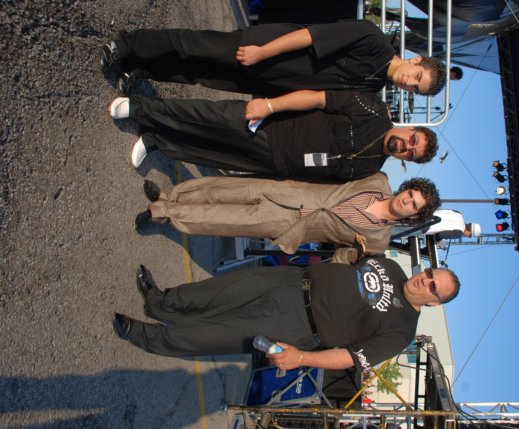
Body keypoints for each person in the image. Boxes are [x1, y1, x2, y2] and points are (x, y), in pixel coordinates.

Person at [112, 256, 461, 373]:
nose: (425, 280)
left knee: (216, 333)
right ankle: (160, 302)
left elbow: (351, 358)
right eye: (431, 273)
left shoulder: (402, 331)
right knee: (219, 291)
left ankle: (144, 335)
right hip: (293, 280)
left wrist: (302, 358)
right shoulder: (393, 268)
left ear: (434, 303)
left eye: (434, 287)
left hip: (298, 324)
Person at [108, 90, 439, 182]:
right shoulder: (373, 109)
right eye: (413, 140)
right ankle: (140, 108)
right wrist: (269, 105)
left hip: (274, 163)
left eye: (411, 153)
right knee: (204, 116)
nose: (405, 147)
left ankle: (156, 142)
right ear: (410, 130)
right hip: (274, 126)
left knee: (208, 152)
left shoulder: (371, 169)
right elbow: (316, 98)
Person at [134, 174, 440, 263]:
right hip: (288, 191)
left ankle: (164, 213)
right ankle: (169, 195)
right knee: (221, 188)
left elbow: (342, 258)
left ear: (414, 216)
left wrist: (346, 262)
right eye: (410, 193)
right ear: (407, 187)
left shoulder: (377, 242)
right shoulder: (378, 180)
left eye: (413, 205)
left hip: (290, 225)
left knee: (222, 218)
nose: (407, 200)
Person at [100, 21, 447, 97]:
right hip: (264, 49)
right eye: (417, 77)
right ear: (416, 61)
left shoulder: (373, 88)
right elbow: (310, 36)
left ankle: (141, 67)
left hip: (268, 82)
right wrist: (262, 51)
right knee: (195, 46)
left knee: (197, 73)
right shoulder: (372, 39)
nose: (409, 83)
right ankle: (128, 43)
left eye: (415, 89)